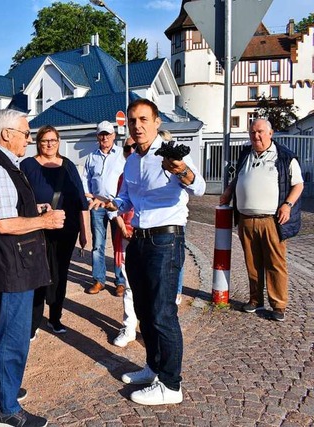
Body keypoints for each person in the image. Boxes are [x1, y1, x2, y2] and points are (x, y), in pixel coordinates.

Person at [93, 99, 205, 405]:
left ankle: (170, 385)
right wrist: (113, 203)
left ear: (156, 122)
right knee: (143, 310)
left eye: (143, 119)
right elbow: (128, 199)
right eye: (132, 120)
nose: (137, 125)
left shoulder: (171, 154)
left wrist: (182, 171)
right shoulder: (131, 161)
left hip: (166, 240)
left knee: (162, 313)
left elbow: (199, 188)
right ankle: (154, 367)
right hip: (139, 239)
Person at [0, 109, 65, 427]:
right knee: (12, 337)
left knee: (0, 331)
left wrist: (33, 208)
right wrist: (44, 220)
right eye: (25, 131)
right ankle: (6, 411)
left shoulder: (4, 164)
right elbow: (3, 222)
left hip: (8, 264)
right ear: (6, 134)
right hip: (11, 266)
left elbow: (8, 209)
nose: (28, 137)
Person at [220, 118, 303, 322]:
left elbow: (298, 185)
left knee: (275, 263)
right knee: (252, 262)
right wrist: (229, 191)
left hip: (272, 220)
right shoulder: (245, 154)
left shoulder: (285, 156)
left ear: (270, 133)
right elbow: (239, 178)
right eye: (252, 133)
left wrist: (288, 205)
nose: (256, 136)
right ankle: (256, 300)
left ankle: (278, 305)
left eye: (260, 132)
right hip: (246, 219)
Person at [20, 125, 88, 339]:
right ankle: (33, 322)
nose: (49, 144)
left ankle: (55, 318)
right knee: (38, 274)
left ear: (59, 142)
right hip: (38, 228)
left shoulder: (67, 166)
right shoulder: (28, 165)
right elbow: (21, 198)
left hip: (65, 230)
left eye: (53, 140)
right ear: (38, 143)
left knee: (60, 274)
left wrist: (86, 232)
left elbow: (81, 201)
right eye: (44, 140)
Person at [83, 121, 126, 295]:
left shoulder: (121, 156)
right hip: (97, 206)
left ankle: (120, 281)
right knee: (98, 244)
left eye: (108, 134)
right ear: (97, 136)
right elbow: (85, 179)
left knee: (119, 244)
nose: (105, 137)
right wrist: (89, 196)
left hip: (116, 205)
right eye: (101, 134)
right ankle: (99, 280)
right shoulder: (91, 157)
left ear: (114, 136)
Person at [109, 138, 138, 347]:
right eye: (127, 148)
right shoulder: (122, 177)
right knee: (128, 284)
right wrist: (121, 227)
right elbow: (117, 204)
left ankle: (147, 328)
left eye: (134, 146)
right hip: (127, 234)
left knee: (148, 287)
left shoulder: (153, 173)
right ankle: (129, 327)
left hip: (148, 235)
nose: (130, 150)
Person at [158, 129, 185, 305]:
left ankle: (177, 291)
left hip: (174, 222)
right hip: (155, 223)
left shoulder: (178, 163)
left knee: (175, 260)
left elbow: (197, 187)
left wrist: (180, 171)